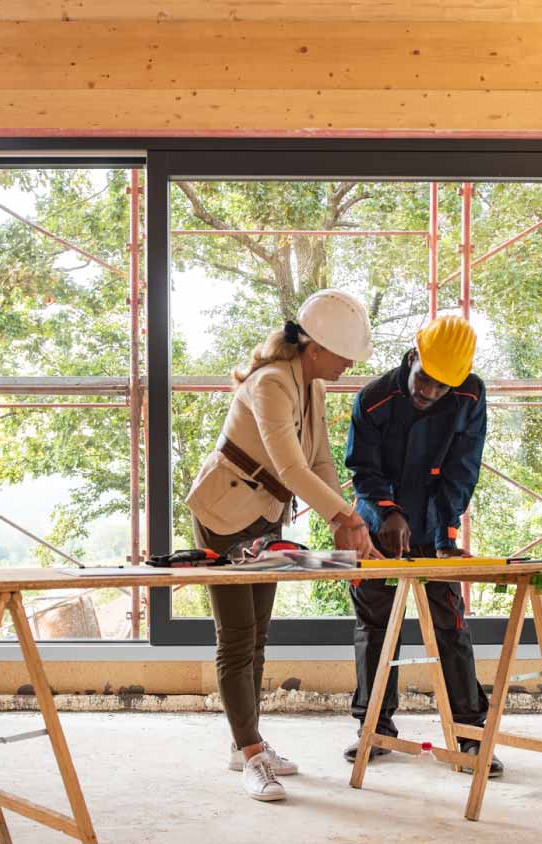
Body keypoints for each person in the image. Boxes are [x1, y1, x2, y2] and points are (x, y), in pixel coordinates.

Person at [186, 288, 382, 802]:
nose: (349, 366)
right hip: (224, 515)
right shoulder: (272, 383)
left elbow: (317, 463)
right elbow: (291, 467)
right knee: (236, 636)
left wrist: (351, 523)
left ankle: (244, 743)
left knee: (257, 637)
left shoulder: (311, 385)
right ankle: (251, 756)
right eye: (344, 356)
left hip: (263, 519)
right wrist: (344, 519)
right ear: (315, 348)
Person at [341, 314, 503, 776]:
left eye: (441, 387)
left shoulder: (469, 395)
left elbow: (462, 468)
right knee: (376, 627)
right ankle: (374, 730)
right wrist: (389, 512)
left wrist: (446, 534)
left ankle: (471, 736)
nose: (430, 392)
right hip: (377, 524)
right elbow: (362, 468)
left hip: (434, 524)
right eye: (425, 380)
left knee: (449, 625)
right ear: (413, 357)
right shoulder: (374, 400)